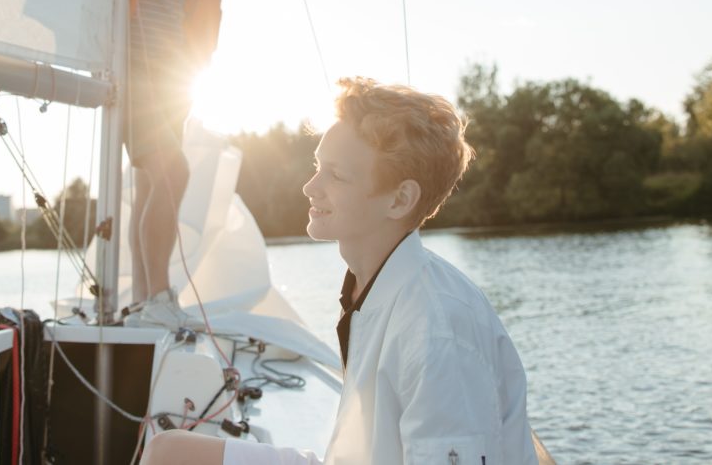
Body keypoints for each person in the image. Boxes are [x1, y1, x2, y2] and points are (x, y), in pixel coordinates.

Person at [142, 77, 539, 464]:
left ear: (400, 199)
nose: (310, 187)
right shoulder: (373, 284)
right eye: (317, 167)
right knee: (169, 451)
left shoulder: (438, 332)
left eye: (336, 175)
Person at [124, 0, 221, 329]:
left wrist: (198, 61)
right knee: (172, 173)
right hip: (132, 70)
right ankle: (158, 294)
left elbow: (211, 12)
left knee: (148, 185)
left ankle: (144, 300)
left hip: (172, 78)